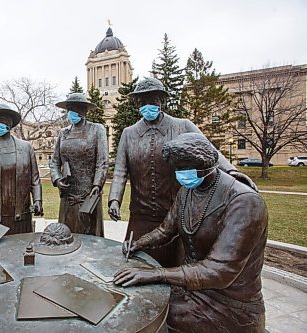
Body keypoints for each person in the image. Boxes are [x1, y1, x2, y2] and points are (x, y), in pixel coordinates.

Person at [114, 133, 267, 332]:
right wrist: (139, 243)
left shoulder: (245, 202)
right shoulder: (187, 191)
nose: (178, 173)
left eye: (183, 168)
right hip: (190, 290)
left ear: (204, 165)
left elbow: (219, 271)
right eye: (176, 168)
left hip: (229, 305)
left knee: (149, 317)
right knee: (137, 300)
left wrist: (156, 274)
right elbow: (165, 230)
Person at [108, 77, 256, 267]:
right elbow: (120, 170)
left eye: (153, 101)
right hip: (140, 213)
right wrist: (114, 200)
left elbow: (209, 150)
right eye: (143, 102)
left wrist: (232, 172)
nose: (148, 106)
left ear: (161, 101)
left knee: (178, 264)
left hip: (176, 211)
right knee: (137, 260)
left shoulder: (182, 125)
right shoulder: (129, 133)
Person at [0, 104, 43, 234]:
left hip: (20, 213)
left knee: (22, 248)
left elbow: (35, 179)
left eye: (1, 122)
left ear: (9, 125)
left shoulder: (26, 147)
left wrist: (38, 200)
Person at [49, 93, 108, 236]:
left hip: (89, 195)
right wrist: (57, 179)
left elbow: (102, 162)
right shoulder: (63, 133)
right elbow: (55, 162)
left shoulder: (97, 129)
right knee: (66, 235)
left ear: (83, 111)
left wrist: (97, 185)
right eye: (68, 109)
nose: (70, 113)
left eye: (73, 109)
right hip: (68, 194)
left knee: (90, 234)